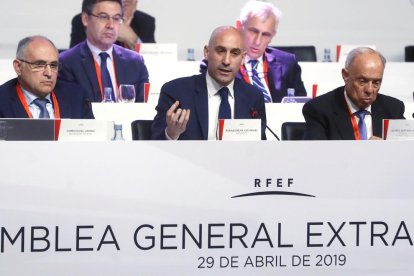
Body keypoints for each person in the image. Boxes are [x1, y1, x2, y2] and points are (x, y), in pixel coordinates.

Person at [151, 26, 267, 140]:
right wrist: (171, 134)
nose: (226, 61)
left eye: (234, 53)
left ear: (243, 58)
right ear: (207, 52)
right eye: (220, 51)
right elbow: (154, 145)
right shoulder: (176, 92)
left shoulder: (253, 97)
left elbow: (260, 149)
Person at [200, 0, 306, 103]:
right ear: (239, 26)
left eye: (265, 34)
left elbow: (301, 106)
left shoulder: (288, 63)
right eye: (253, 31)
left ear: (273, 35)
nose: (258, 41)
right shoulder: (217, 62)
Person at [302, 47, 405, 140]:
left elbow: (406, 152)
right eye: (362, 81)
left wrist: (387, 150)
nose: (369, 90)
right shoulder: (319, 109)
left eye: (376, 83)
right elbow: (315, 155)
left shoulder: (394, 109)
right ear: (346, 75)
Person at [59, 0, 149, 103]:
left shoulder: (135, 62)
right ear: (85, 19)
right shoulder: (67, 62)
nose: (111, 25)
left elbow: (143, 110)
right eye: (103, 17)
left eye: (116, 18)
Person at [0, 36, 94, 119]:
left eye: (53, 65)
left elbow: (92, 137)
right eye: (39, 65)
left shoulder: (76, 96)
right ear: (18, 67)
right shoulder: (3, 100)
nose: (49, 73)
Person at [70, 0, 156, 49]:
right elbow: (74, 58)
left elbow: (154, 60)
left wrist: (133, 39)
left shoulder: (146, 22)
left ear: (136, 2)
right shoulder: (87, 19)